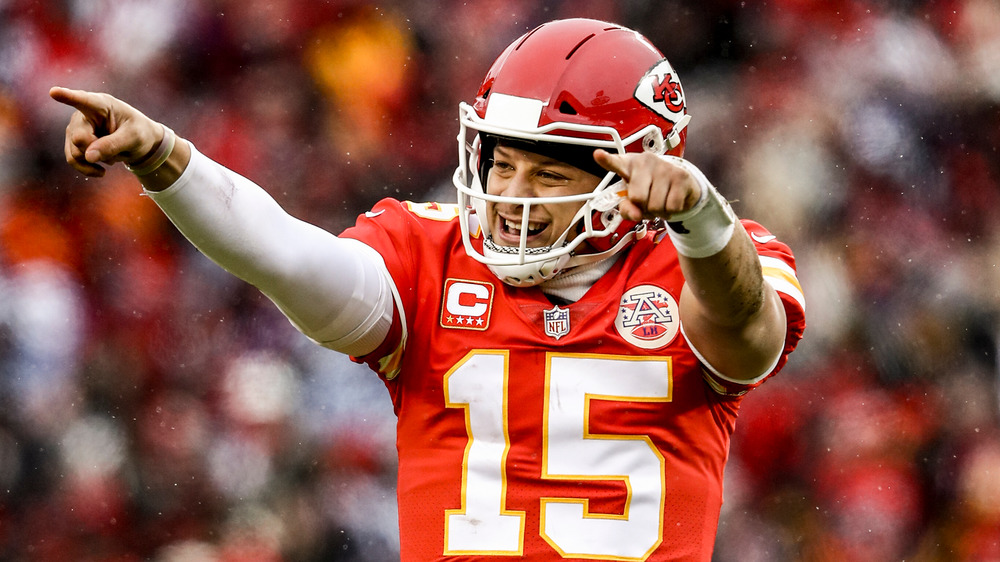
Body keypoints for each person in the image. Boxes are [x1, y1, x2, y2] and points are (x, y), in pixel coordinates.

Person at [52, 17, 804, 562]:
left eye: (549, 171)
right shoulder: (428, 253)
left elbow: (749, 337)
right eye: (502, 164)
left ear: (635, 173)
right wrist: (166, 159)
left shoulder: (711, 261)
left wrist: (704, 220)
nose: (512, 194)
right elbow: (286, 258)